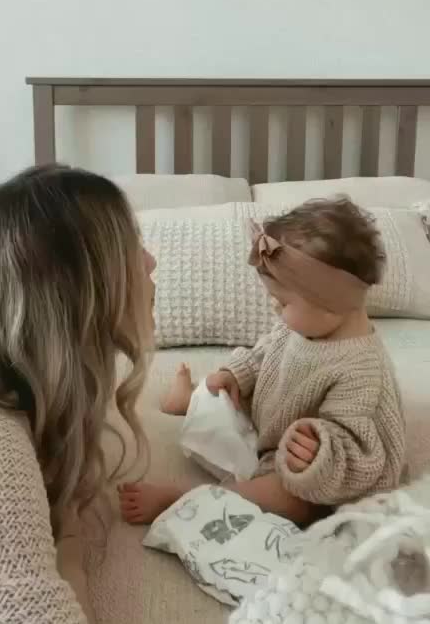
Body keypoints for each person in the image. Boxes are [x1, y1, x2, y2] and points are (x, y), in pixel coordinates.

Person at [120, 197, 406, 526]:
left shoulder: (361, 371)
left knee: (292, 502)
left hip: (315, 475)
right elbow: (265, 353)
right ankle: (190, 399)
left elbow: (363, 456)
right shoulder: (302, 326)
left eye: (283, 302)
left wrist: (318, 454)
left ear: (332, 303)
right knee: (217, 396)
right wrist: (235, 374)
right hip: (268, 429)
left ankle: (186, 500)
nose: (274, 307)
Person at [0, 165, 156, 624]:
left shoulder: (9, 382)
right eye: (132, 245)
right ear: (76, 286)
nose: (150, 262)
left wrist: (68, 548)